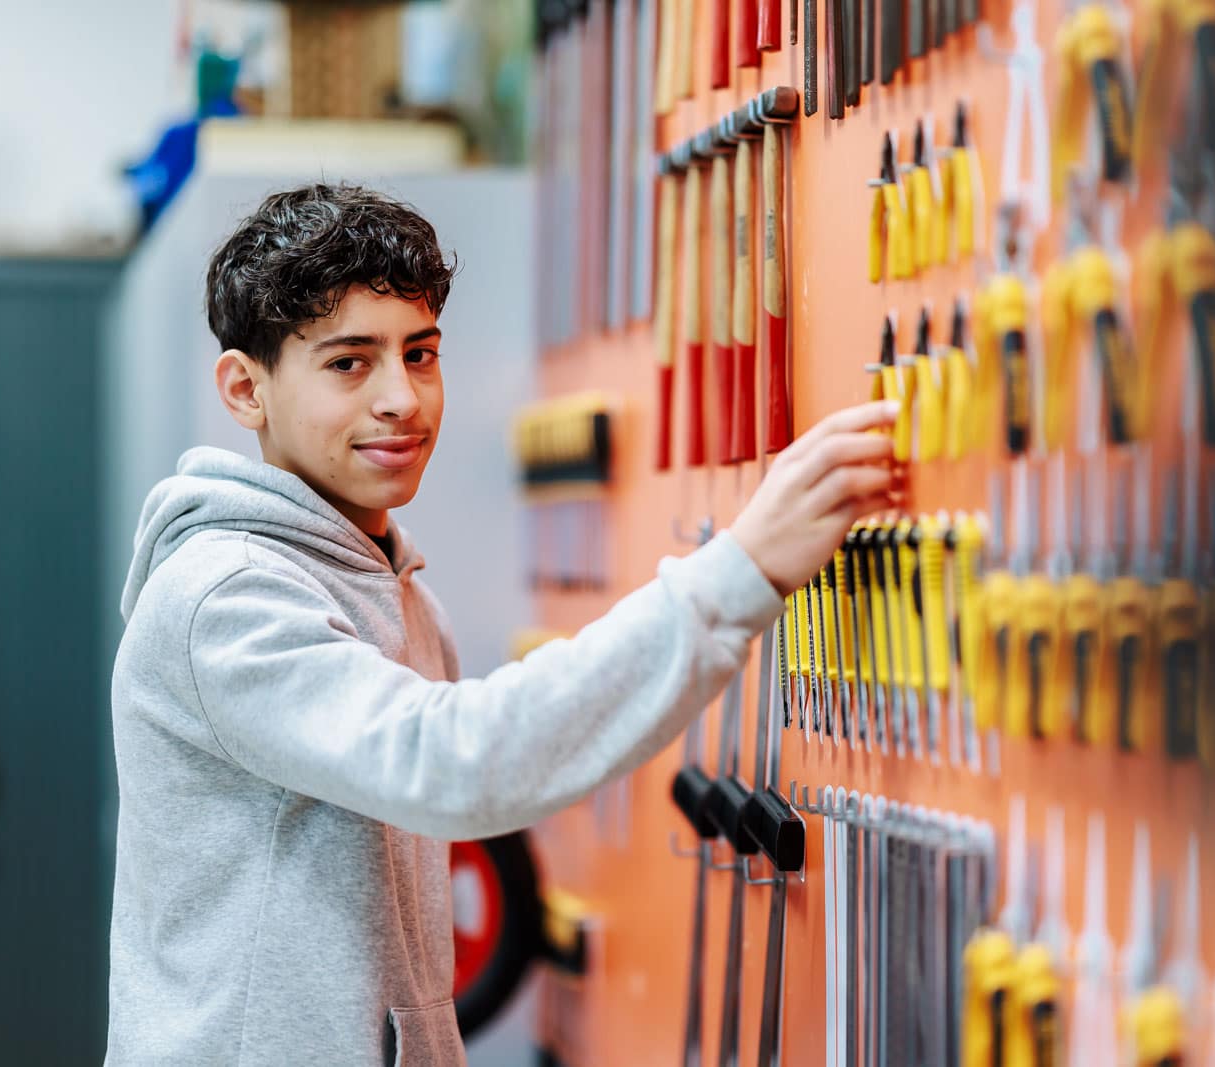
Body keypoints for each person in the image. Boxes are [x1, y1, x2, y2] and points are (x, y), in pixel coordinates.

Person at [106, 182, 900, 1065]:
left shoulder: (397, 591)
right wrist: (741, 571)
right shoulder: (225, 597)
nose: (401, 399)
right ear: (244, 389)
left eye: (421, 353)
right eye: (348, 363)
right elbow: (452, 760)